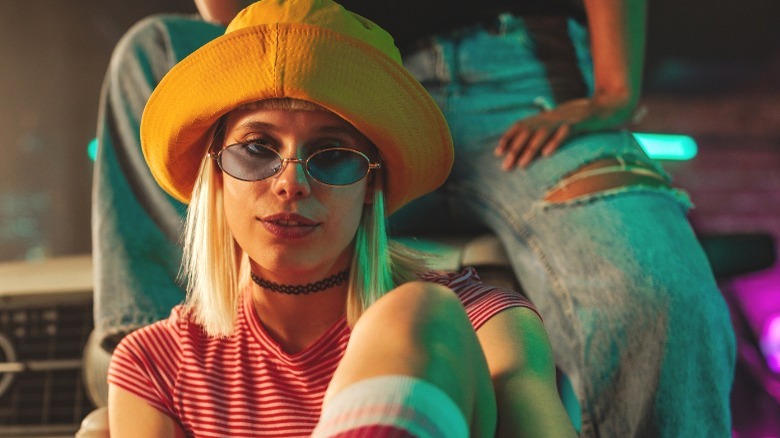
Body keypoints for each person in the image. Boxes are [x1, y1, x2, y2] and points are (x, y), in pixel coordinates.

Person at [93, 1, 736, 437]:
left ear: (372, 179)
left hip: (518, 77)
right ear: (215, 166)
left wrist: (614, 92)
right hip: (330, 56)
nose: (289, 181)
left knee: (657, 295)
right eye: (255, 150)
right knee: (149, 49)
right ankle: (154, 353)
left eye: (334, 159)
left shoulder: (474, 320)